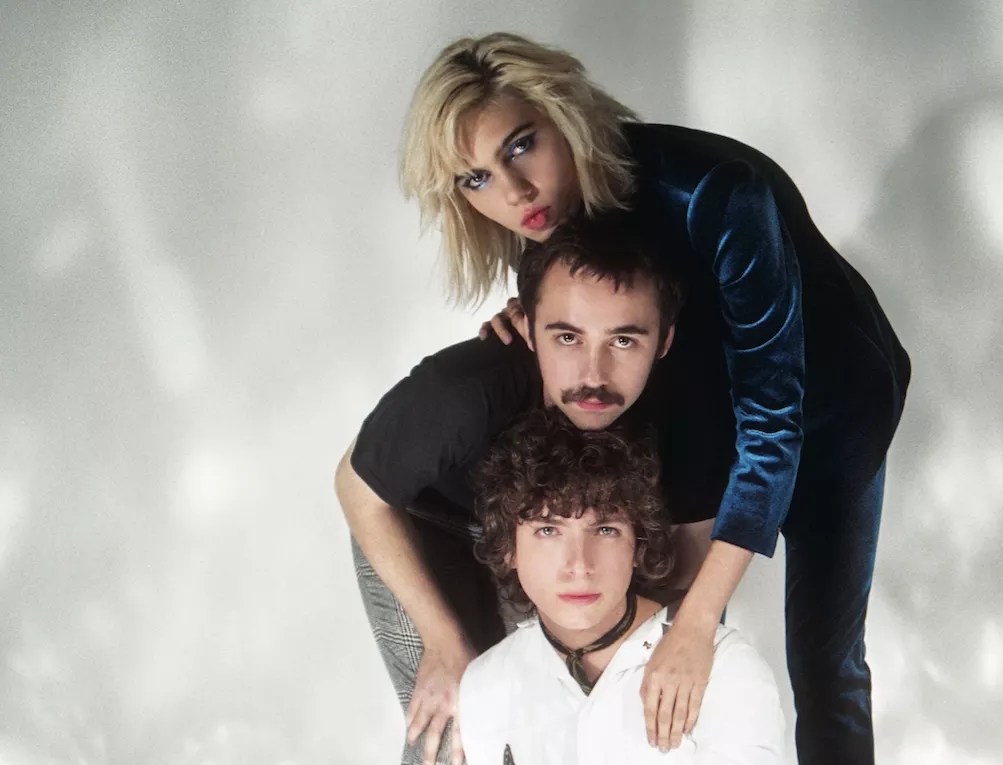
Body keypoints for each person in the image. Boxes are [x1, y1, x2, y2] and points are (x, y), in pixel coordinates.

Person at [336, 33, 911, 765]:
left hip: (829, 416)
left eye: (521, 146)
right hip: (673, 437)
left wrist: (695, 625)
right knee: (548, 702)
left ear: (563, 114)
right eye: (476, 179)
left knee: (822, 663)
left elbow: (772, 423)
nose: (514, 194)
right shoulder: (548, 232)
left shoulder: (716, 193)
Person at [340, 217, 707, 765]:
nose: (594, 374)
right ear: (528, 329)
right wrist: (443, 642)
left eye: (624, 340)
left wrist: (659, 653)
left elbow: (688, 567)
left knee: (579, 716)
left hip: (564, 538)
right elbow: (358, 489)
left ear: (664, 341)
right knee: (454, 730)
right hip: (426, 528)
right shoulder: (460, 392)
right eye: (567, 337)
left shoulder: (693, 411)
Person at [460, 407, 786, 764]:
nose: (579, 565)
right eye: (548, 530)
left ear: (638, 545)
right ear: (509, 549)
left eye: (605, 530)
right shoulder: (485, 684)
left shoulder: (726, 670)